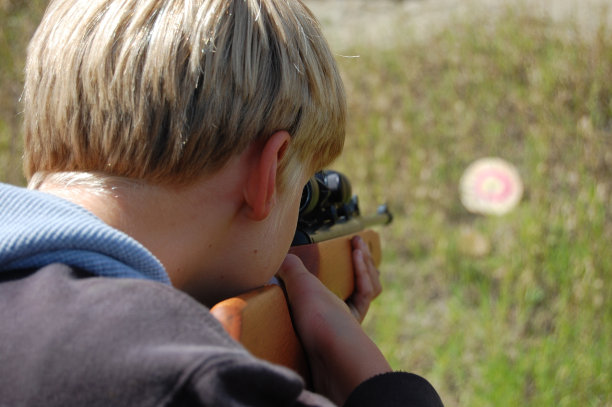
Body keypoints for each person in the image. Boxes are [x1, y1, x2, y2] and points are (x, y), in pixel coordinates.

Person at [0, 0, 444, 406]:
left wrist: (289, 363)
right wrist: (379, 387)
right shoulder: (196, 381)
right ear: (268, 174)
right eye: (301, 190)